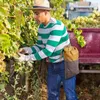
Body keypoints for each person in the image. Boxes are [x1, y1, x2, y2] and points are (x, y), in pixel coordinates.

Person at [18, 0, 78, 100]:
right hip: (53, 64)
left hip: (66, 64)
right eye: (34, 14)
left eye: (37, 14)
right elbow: (40, 46)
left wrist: (26, 58)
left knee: (70, 94)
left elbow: (47, 51)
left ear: (46, 12)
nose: (34, 17)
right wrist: (27, 50)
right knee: (52, 94)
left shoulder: (56, 27)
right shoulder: (41, 27)